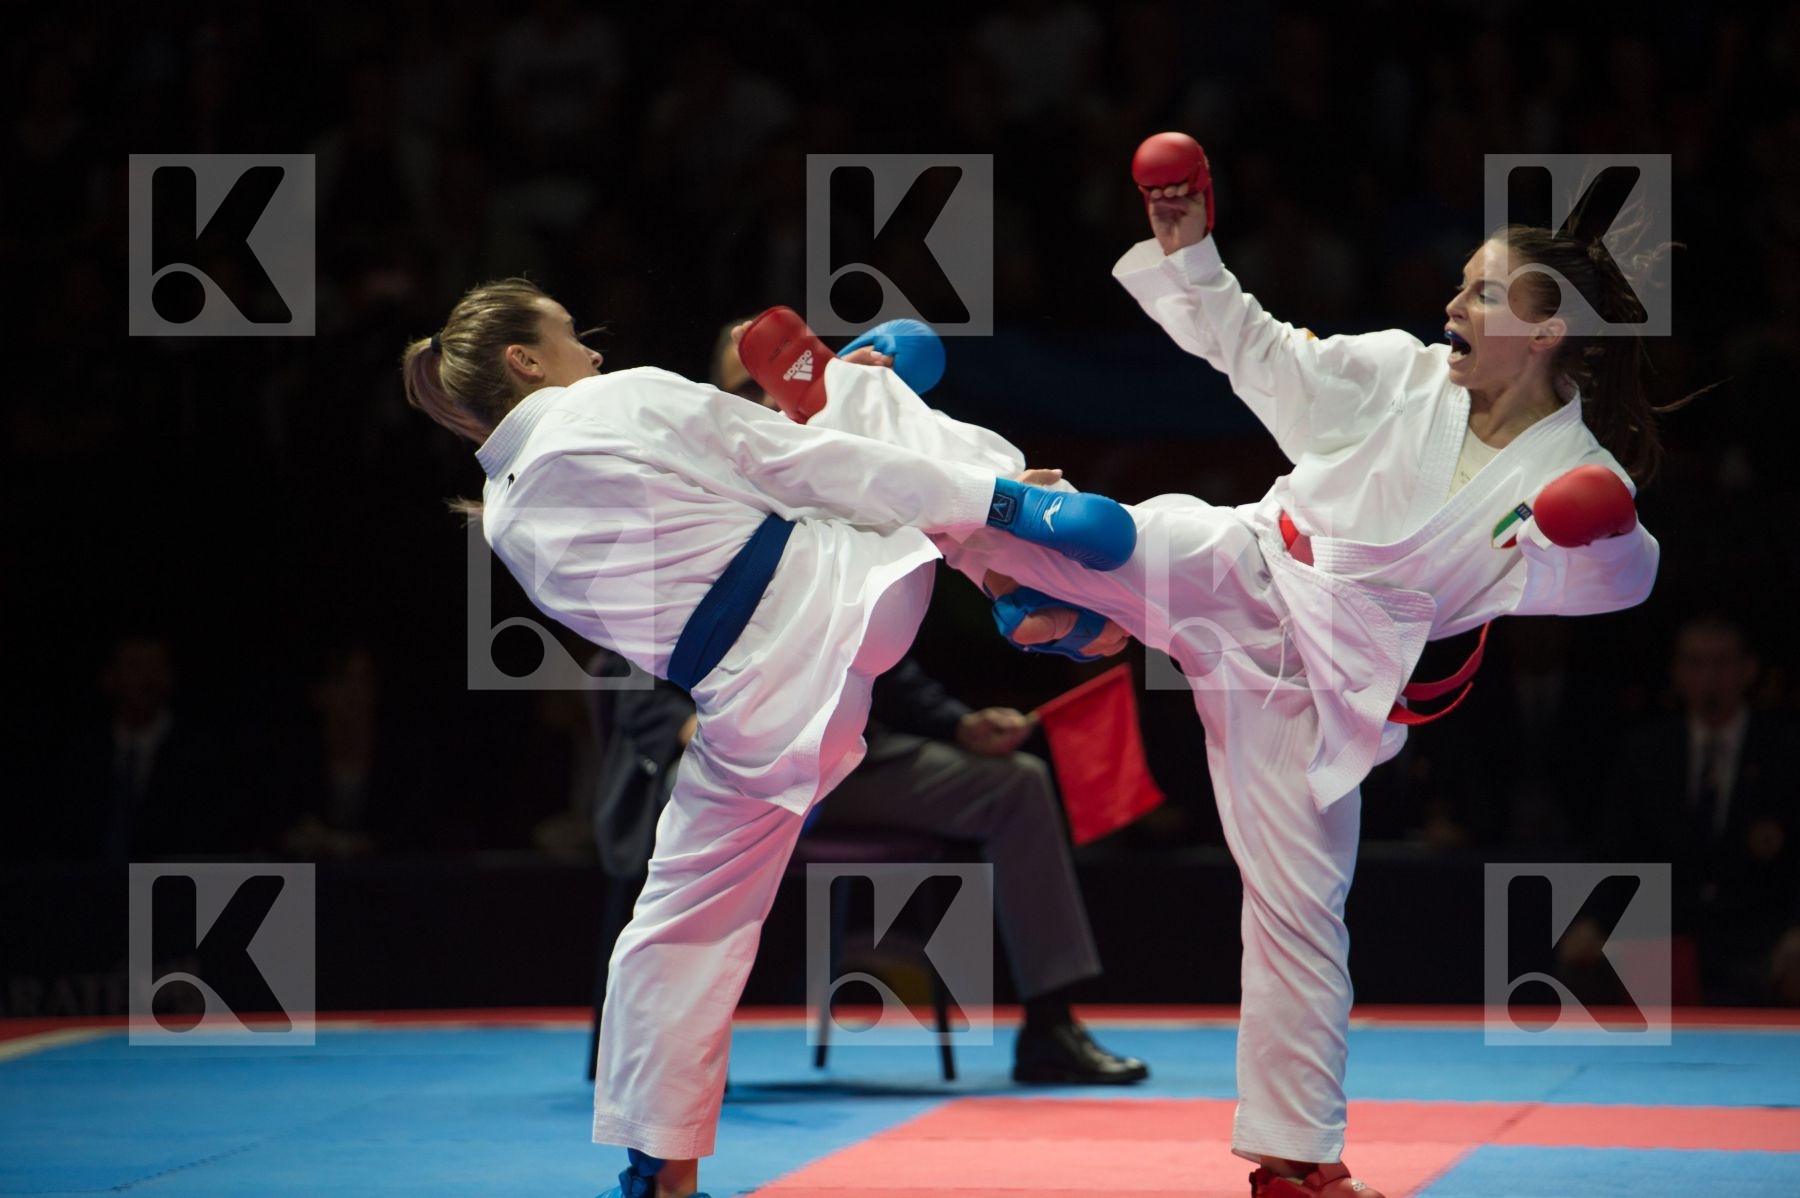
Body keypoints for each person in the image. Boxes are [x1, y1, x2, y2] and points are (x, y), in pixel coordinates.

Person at [730, 142, 1676, 1197]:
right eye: (1461, 281)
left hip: (1318, 689)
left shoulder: (1572, 471)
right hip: (1250, 563)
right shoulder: (1405, 376)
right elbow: (1269, 355)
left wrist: (1604, 529)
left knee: (1301, 905)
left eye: (1483, 293)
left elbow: (1623, 580)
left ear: (1546, 331)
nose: (1451, 300)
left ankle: (1293, 1158)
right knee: (1104, 533)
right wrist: (1194, 255)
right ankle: (873, 424)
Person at [399, 278, 1136, 1198]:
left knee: (673, 926)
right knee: (875, 406)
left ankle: (659, 1174)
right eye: (572, 335)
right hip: (847, 594)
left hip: (748, 708)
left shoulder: (502, 521)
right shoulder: (610, 397)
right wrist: (986, 496)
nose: (592, 350)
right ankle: (1013, 547)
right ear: (524, 360)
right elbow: (794, 466)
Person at [1569, 615, 1799, 1005]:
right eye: (1696, 663)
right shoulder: (1644, 753)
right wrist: (1592, 920)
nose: (1709, 676)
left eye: (1721, 663)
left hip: (1760, 936)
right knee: (1582, 960)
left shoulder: (1786, 752)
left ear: (1748, 670)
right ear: (1677, 672)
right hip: (1664, 934)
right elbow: (1612, 851)